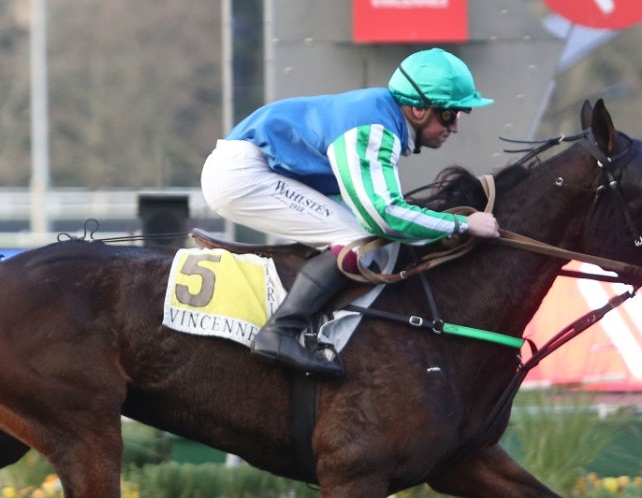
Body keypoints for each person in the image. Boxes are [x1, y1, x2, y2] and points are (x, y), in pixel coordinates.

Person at [201, 47, 501, 379]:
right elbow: (384, 216)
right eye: (450, 114)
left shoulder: (381, 118)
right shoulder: (373, 129)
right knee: (358, 240)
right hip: (243, 174)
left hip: (251, 168)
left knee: (364, 236)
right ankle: (280, 332)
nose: (455, 127)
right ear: (418, 109)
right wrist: (462, 224)